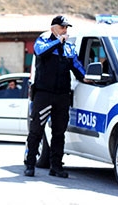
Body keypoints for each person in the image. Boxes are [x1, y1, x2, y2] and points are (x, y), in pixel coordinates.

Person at [23, 15, 89, 178]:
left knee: (59, 133)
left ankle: (56, 167)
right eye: (62, 27)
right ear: (53, 28)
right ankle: (30, 164)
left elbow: (77, 67)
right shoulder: (43, 41)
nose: (65, 30)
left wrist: (88, 77)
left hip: (62, 96)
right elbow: (39, 52)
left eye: (66, 28)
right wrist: (57, 41)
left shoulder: (69, 48)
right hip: (44, 95)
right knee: (36, 130)